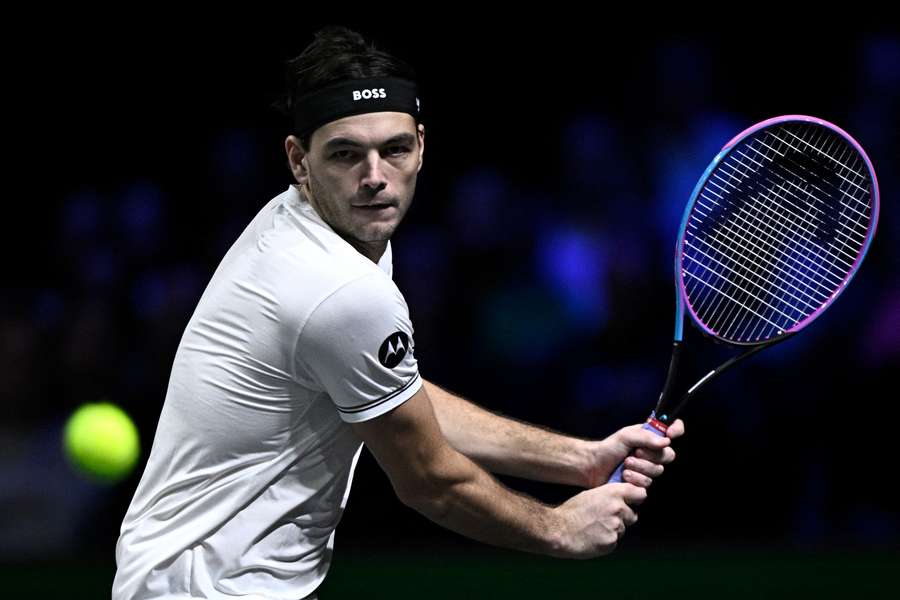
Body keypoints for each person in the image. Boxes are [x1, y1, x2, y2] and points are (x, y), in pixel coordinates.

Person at [112, 25, 684, 600]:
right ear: (298, 159)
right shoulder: (337, 288)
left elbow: (399, 398)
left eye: (394, 149)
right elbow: (429, 479)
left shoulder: (319, 228)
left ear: (421, 147)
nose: (374, 177)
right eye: (345, 154)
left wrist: (580, 460)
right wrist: (562, 529)